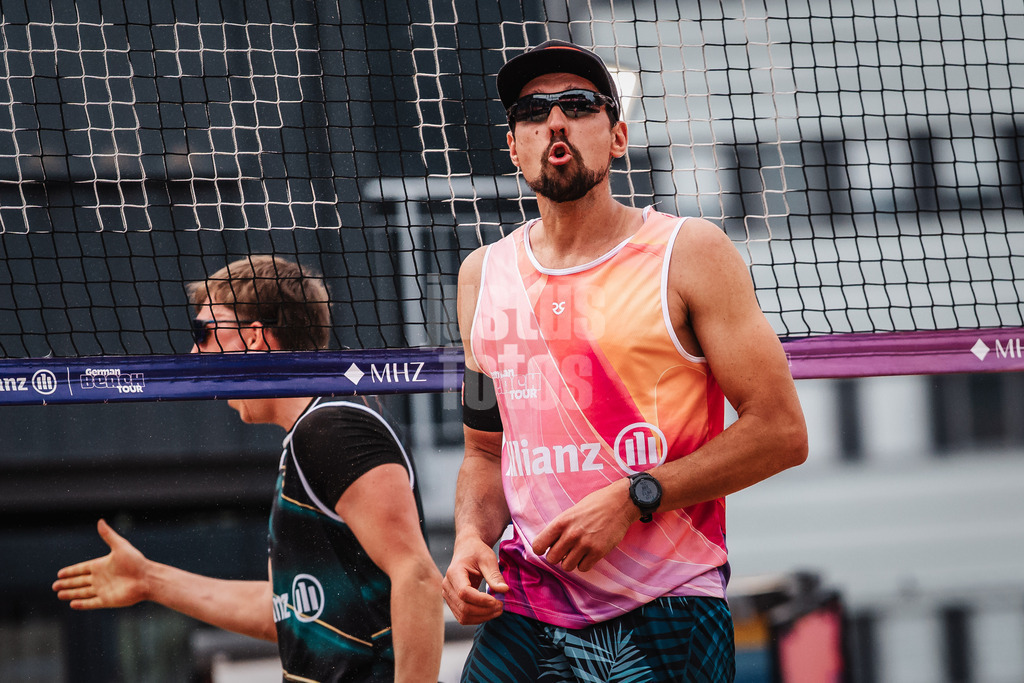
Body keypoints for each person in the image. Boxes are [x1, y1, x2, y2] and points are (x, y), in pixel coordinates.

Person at [442, 40, 808, 681]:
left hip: (664, 605)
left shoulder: (689, 252)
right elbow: (485, 453)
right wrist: (470, 538)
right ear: (514, 147)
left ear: (616, 137)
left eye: (577, 105)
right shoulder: (482, 274)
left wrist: (635, 496)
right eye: (533, 112)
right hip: (529, 605)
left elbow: (781, 433)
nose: (554, 122)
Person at [53, 255, 444, 683]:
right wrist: (150, 580)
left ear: (255, 337)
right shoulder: (309, 436)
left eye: (203, 332)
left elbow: (418, 577)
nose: (193, 351)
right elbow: (289, 615)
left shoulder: (331, 426)